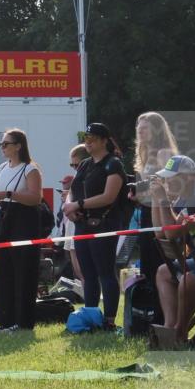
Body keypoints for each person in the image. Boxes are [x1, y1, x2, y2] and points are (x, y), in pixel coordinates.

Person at [63, 122, 128, 331]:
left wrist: (78, 204)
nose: (88, 142)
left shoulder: (113, 164)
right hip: (82, 224)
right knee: (87, 274)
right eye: (86, 138)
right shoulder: (84, 164)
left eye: (92, 138)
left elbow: (109, 197)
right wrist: (70, 207)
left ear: (104, 140)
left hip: (104, 224)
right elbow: (73, 189)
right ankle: (90, 317)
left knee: (105, 272)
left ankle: (109, 320)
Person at [0, 129, 45, 332]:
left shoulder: (30, 169)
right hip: (5, 217)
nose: (2, 147)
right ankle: (5, 321)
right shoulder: (2, 167)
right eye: (1, 144)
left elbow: (35, 198)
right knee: (4, 270)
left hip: (25, 220)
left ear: (18, 145)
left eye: (6, 144)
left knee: (23, 271)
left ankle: (23, 322)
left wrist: (10, 194)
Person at [150, 155, 195, 344]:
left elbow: (173, 234)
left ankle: (180, 335)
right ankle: (169, 328)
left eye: (172, 177)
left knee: (188, 280)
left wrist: (163, 200)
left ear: (189, 177)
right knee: (164, 272)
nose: (167, 182)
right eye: (165, 178)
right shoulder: (185, 198)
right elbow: (160, 233)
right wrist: (156, 201)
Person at [134, 112, 180, 314]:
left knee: (160, 262)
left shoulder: (164, 153)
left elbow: (174, 187)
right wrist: (138, 194)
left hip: (161, 213)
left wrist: (155, 194)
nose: (140, 131)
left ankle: (162, 316)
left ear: (157, 130)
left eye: (145, 127)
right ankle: (151, 316)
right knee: (148, 267)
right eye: (139, 127)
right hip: (145, 212)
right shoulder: (144, 153)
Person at [62, 145, 90, 283]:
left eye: (76, 164)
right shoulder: (77, 178)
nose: (74, 168)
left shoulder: (89, 177)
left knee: (85, 271)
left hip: (81, 225)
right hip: (71, 227)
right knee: (78, 271)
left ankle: (90, 301)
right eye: (71, 164)